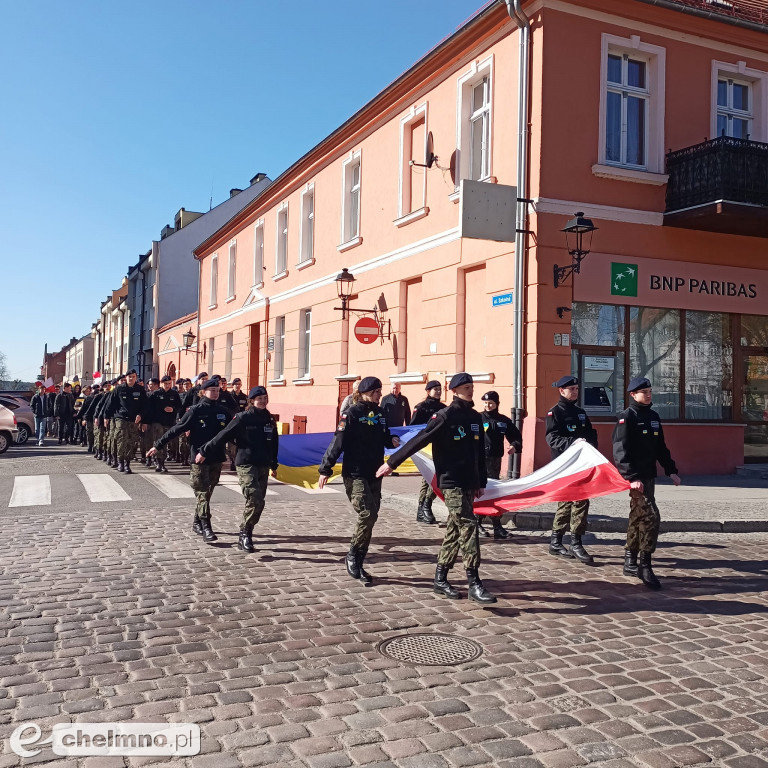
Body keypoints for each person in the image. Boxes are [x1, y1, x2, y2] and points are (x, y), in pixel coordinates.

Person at [378, 373, 496, 604]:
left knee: (454, 530)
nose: (469, 390)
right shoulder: (444, 416)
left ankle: (440, 579)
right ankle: (474, 582)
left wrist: (480, 481)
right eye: (464, 387)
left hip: (468, 482)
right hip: (450, 481)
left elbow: (478, 452)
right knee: (468, 524)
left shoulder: (474, 417)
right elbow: (419, 440)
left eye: (471, 386)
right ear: (454, 391)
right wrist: (392, 463)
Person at [319, 377, 399, 585]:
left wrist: (391, 439)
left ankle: (358, 556)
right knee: (367, 513)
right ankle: (354, 556)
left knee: (372, 516)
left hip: (375, 472)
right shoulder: (351, 413)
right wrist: (325, 468)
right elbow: (338, 440)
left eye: (380, 391)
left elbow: (384, 435)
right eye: (376, 392)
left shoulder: (381, 413)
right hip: (355, 473)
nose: (379, 395)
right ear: (365, 392)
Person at [613, 377, 681, 590]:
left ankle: (629, 561)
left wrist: (671, 470)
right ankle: (645, 565)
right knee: (651, 516)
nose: (649, 395)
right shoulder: (627, 417)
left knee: (638, 516)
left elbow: (661, 447)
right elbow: (620, 451)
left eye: (650, 391)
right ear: (633, 394)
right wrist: (631, 477)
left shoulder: (653, 416)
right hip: (636, 479)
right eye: (645, 392)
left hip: (649, 476)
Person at [148, 379, 233, 543]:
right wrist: (158, 445)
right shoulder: (196, 411)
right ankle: (206, 526)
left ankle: (197, 521)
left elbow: (233, 432)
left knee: (207, 494)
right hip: (198, 459)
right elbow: (176, 429)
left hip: (216, 458)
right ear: (203, 392)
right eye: (212, 390)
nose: (215, 393)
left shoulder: (224, 411)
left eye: (217, 390)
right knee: (201, 492)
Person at [200, 385, 279, 553]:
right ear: (251, 401)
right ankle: (245, 534)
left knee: (259, 502)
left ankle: (247, 530)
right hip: (246, 463)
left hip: (263, 464)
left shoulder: (269, 419)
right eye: (259, 399)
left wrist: (274, 462)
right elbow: (223, 435)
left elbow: (274, 442)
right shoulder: (242, 418)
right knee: (254, 497)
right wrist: (205, 450)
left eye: (265, 398)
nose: (262, 401)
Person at [544, 376, 600, 564]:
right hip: (564, 465)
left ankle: (575, 541)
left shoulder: (580, 413)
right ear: (562, 391)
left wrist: (591, 447)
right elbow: (552, 438)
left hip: (581, 464)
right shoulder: (555, 413)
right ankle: (557, 541)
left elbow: (591, 433)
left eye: (577, 388)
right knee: (567, 503)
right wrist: (571, 443)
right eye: (572, 389)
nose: (575, 392)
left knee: (582, 500)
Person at [480, 391, 523, 540]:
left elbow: (515, 436)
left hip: (495, 461)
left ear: (497, 404)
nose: (487, 406)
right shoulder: (478, 418)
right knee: (480, 491)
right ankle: (480, 523)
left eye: (490, 403)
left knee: (492, 492)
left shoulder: (503, 420)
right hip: (479, 461)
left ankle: (496, 527)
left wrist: (514, 446)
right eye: (485, 403)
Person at [410, 380, 446, 524]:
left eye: (440, 389)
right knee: (429, 477)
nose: (438, 391)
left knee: (432, 478)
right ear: (428, 391)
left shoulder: (444, 408)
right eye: (435, 389)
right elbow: (413, 428)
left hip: (440, 446)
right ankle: (424, 507)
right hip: (426, 448)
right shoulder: (421, 408)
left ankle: (424, 507)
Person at [105, 369, 147, 474]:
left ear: (136, 377)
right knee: (121, 441)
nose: (131, 378)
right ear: (126, 378)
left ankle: (128, 463)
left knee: (132, 442)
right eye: (129, 377)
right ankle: (120, 462)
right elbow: (111, 404)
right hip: (121, 418)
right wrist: (106, 417)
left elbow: (146, 406)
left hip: (134, 420)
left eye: (133, 376)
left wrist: (141, 416)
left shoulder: (140, 389)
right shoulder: (119, 389)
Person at [145, 376, 182, 473]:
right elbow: (149, 408)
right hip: (157, 421)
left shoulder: (174, 394)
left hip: (169, 422)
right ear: (162, 384)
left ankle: (163, 461)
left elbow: (179, 407)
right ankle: (158, 462)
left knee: (166, 442)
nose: (167, 385)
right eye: (165, 384)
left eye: (169, 383)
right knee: (158, 441)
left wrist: (173, 409)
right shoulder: (156, 394)